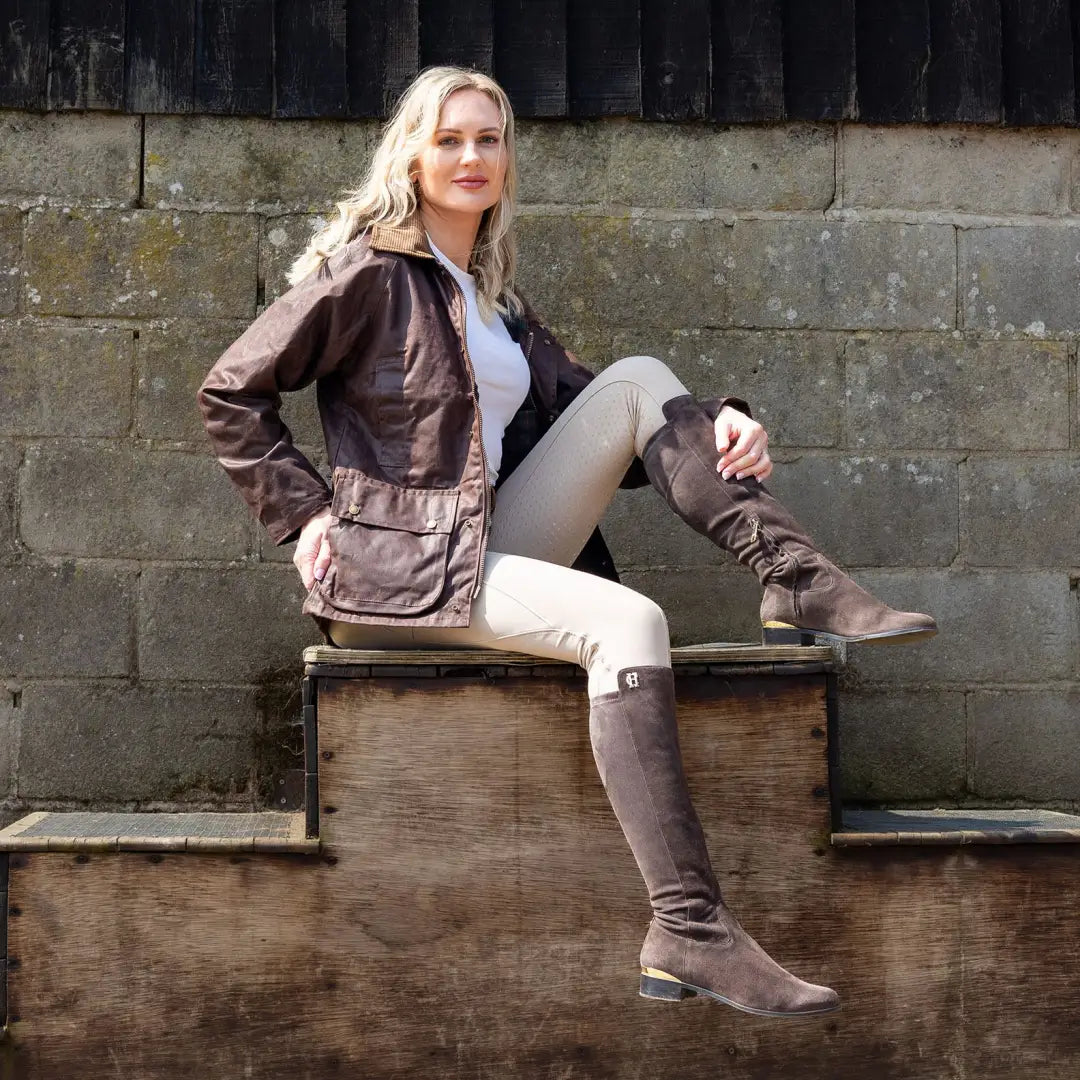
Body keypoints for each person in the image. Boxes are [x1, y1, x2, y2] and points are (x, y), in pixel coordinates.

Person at [198, 65, 936, 1019]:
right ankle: (690, 927)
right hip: (398, 576)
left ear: (509, 161)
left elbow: (620, 431)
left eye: (490, 140)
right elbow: (230, 392)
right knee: (629, 622)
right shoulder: (369, 274)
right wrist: (302, 516)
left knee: (635, 380)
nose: (473, 157)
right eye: (451, 139)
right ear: (412, 157)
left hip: (479, 552)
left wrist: (725, 422)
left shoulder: (498, 303)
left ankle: (795, 577)